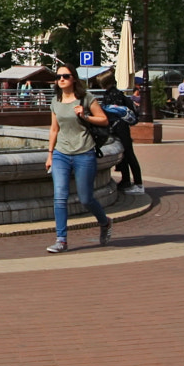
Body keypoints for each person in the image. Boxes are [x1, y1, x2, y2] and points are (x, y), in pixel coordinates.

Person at [45, 66, 113, 253]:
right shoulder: (55, 101)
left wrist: (85, 116)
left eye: (65, 76)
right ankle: (61, 240)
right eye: (58, 77)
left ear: (74, 78)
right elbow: (54, 129)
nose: (61, 79)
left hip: (84, 152)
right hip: (61, 154)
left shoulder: (86, 98)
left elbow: (104, 120)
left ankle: (104, 222)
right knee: (60, 196)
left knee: (86, 198)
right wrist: (50, 154)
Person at [98, 82, 143, 197]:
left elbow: (112, 112)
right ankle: (126, 180)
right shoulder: (118, 93)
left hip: (119, 128)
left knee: (128, 154)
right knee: (126, 154)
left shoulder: (111, 95)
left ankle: (138, 184)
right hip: (122, 127)